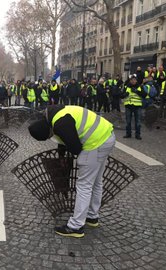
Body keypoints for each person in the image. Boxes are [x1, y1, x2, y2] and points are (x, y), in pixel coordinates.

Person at [28, 104, 115, 238]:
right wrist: (62, 156)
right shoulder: (54, 113)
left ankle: (76, 226)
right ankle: (92, 216)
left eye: (49, 136)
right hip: (106, 135)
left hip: (95, 143)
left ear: (48, 130)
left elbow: (75, 148)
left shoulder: (60, 124)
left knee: (84, 185)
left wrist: (76, 160)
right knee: (96, 181)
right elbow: (63, 139)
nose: (52, 136)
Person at [121, 75, 147, 139]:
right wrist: (125, 94)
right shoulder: (126, 87)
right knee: (128, 122)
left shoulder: (140, 87)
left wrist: (137, 91)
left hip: (137, 106)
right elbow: (121, 95)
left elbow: (145, 95)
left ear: (136, 80)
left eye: (134, 80)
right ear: (130, 80)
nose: (133, 81)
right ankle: (128, 134)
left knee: (138, 122)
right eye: (132, 80)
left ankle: (137, 135)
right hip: (128, 106)